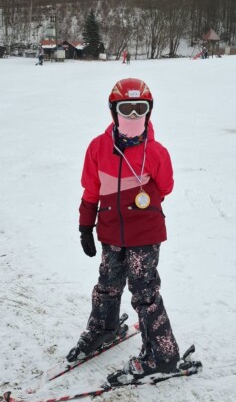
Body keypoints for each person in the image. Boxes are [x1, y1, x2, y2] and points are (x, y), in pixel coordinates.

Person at [67, 77, 180, 379]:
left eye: (139, 109)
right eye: (125, 109)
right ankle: (103, 328)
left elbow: (166, 187)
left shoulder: (156, 152)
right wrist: (85, 226)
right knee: (108, 283)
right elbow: (91, 189)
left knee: (144, 291)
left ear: (149, 111)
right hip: (110, 231)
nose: (132, 115)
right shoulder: (98, 147)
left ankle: (163, 354)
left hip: (145, 234)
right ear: (113, 111)